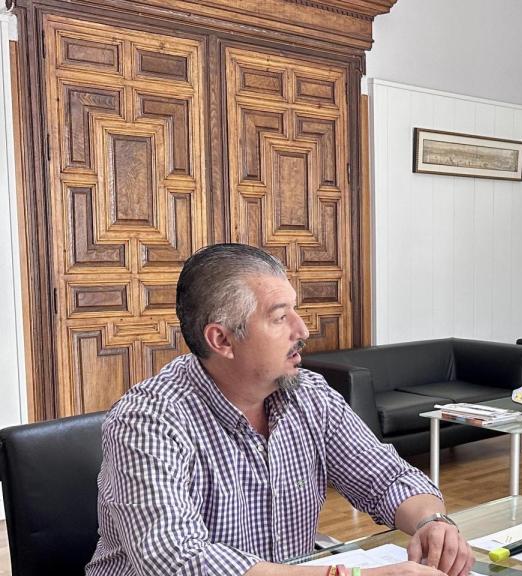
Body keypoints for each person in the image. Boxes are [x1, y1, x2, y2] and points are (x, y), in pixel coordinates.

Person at [86, 243, 473, 576]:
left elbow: (385, 478)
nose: (303, 330)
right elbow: (177, 561)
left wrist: (431, 521)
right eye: (279, 317)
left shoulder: (309, 394)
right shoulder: (147, 420)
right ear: (222, 339)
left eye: (296, 311)